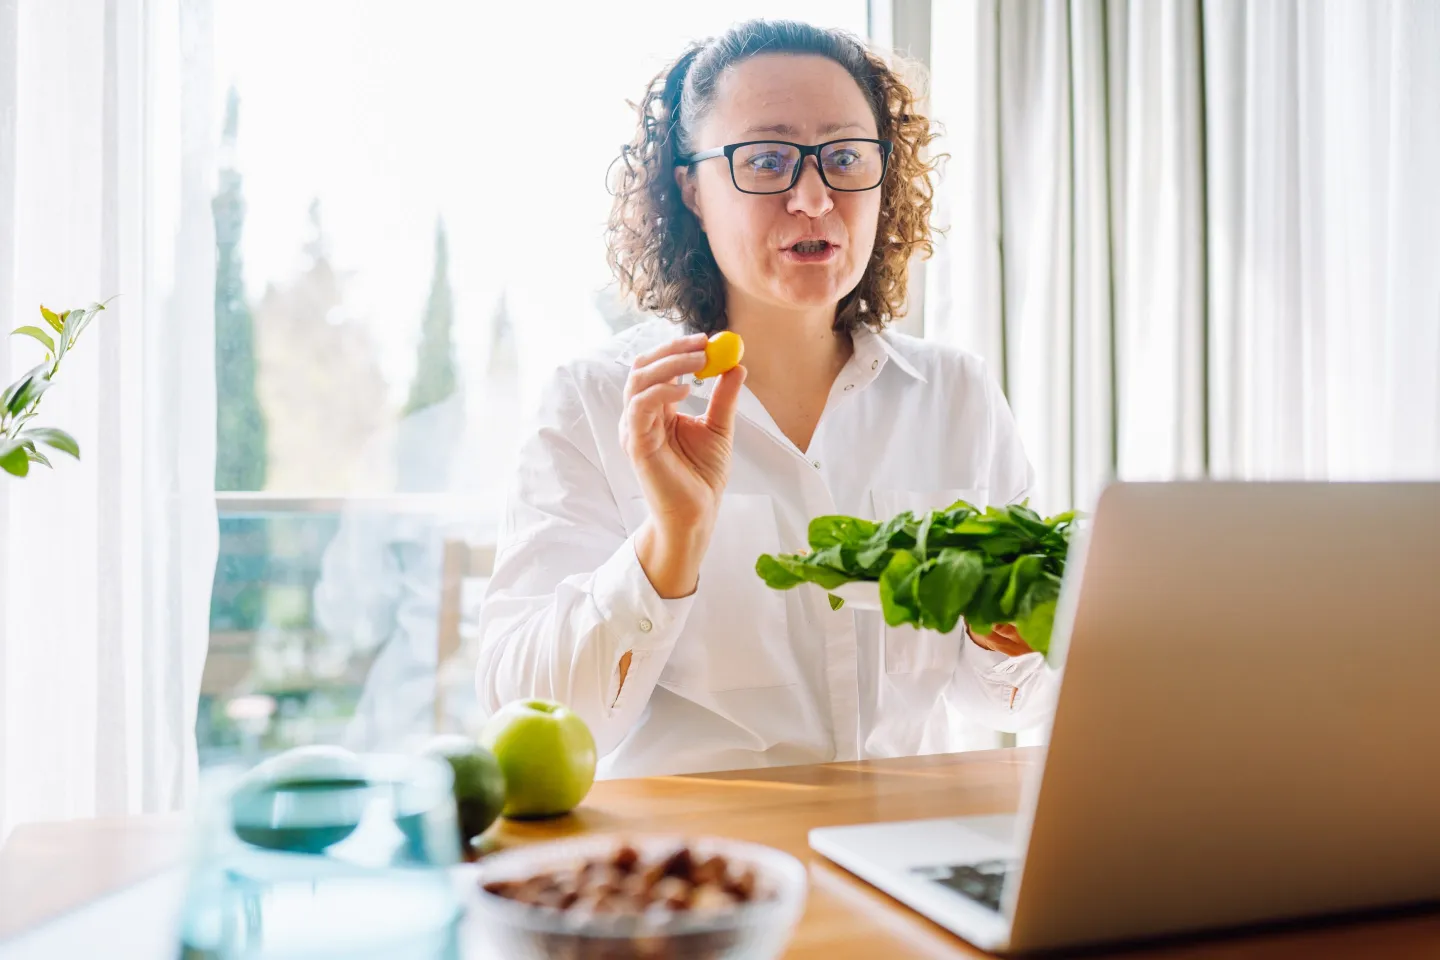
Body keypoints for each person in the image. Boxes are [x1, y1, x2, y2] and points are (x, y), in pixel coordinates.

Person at [476, 19, 1058, 779]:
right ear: (690, 187)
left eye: (846, 157)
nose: (814, 199)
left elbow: (1013, 705)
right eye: (768, 160)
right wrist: (671, 542)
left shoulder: (958, 395)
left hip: (904, 847)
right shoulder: (594, 402)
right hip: (697, 868)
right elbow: (527, 712)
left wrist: (1005, 627)